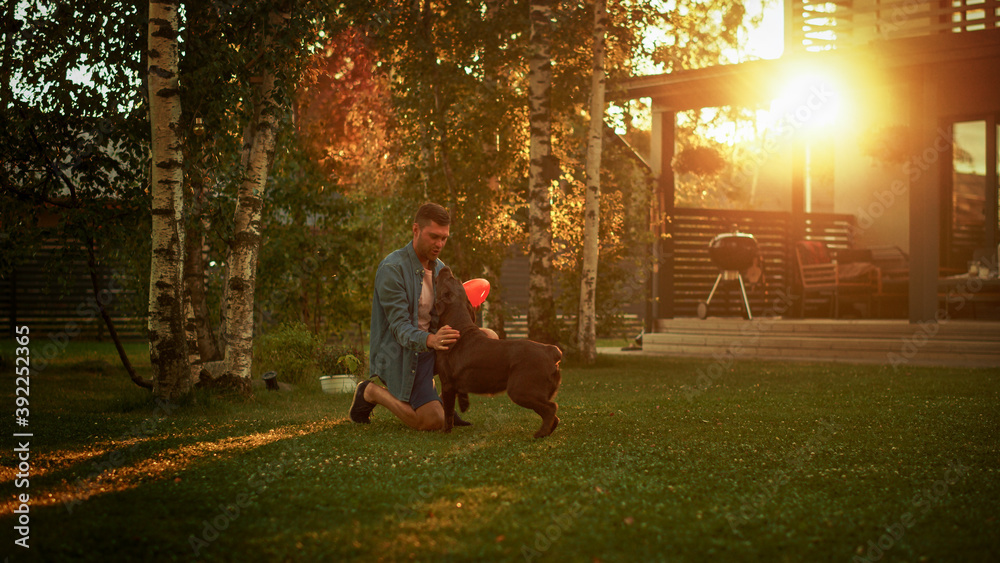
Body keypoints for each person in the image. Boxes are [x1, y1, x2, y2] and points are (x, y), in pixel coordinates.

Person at [350, 203, 466, 430]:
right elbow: (400, 327)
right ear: (416, 230)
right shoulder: (392, 269)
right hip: (400, 355)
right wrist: (430, 340)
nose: (439, 244)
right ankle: (371, 392)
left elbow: (447, 315)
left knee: (487, 336)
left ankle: (441, 403)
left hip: (430, 350)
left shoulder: (441, 269)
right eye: (434, 237)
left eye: (444, 238)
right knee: (433, 421)